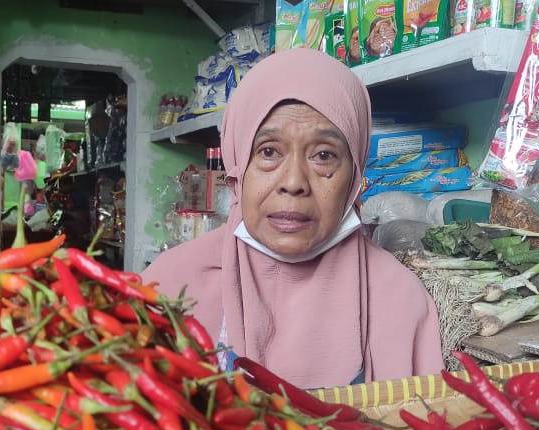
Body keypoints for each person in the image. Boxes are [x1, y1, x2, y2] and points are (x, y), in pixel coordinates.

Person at [142, 47, 442, 390]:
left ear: (355, 176)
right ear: (238, 167)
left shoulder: (399, 300)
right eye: (269, 151)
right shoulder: (168, 288)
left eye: (324, 156)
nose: (294, 182)